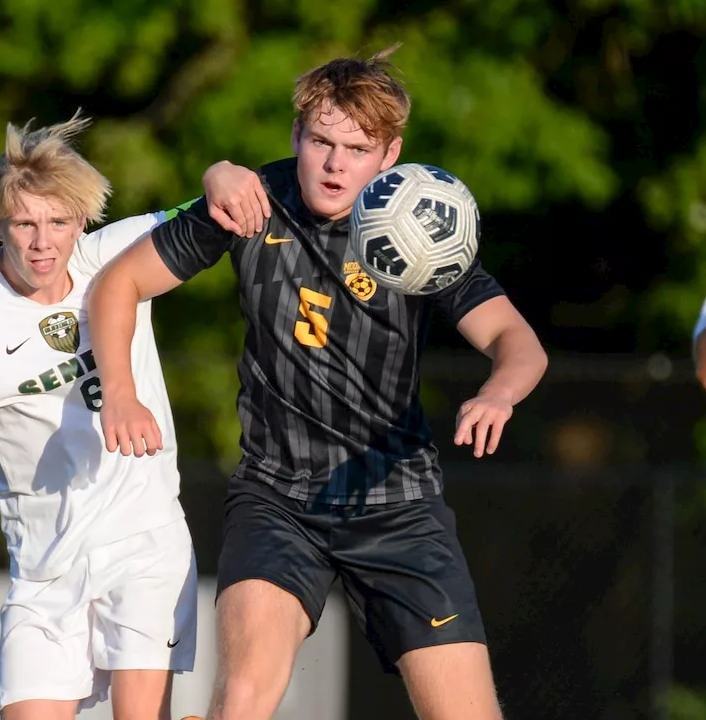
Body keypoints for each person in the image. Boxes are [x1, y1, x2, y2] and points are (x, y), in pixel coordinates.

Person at [88, 47, 548, 720]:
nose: (334, 164)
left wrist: (498, 392)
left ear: (390, 155)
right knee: (244, 697)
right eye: (321, 142)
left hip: (397, 504)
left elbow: (520, 344)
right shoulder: (253, 203)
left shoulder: (422, 225)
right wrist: (121, 394)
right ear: (296, 137)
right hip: (278, 499)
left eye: (356, 148)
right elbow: (117, 284)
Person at [0, 113, 267, 720]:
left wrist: (220, 170)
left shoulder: (114, 255)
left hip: (144, 543)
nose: (43, 242)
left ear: (82, 222)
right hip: (44, 571)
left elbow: (217, 204)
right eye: (25, 223)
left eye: (59, 222)